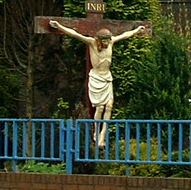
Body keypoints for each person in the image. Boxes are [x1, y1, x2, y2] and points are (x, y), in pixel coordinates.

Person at [49, 20, 146, 148]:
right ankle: (96, 131)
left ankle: (103, 135)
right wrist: (59, 26)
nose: (106, 43)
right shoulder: (92, 43)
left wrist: (136, 31)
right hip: (96, 78)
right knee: (100, 108)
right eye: (104, 41)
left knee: (109, 106)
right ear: (99, 40)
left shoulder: (111, 42)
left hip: (107, 77)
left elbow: (125, 35)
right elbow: (75, 34)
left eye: (108, 40)